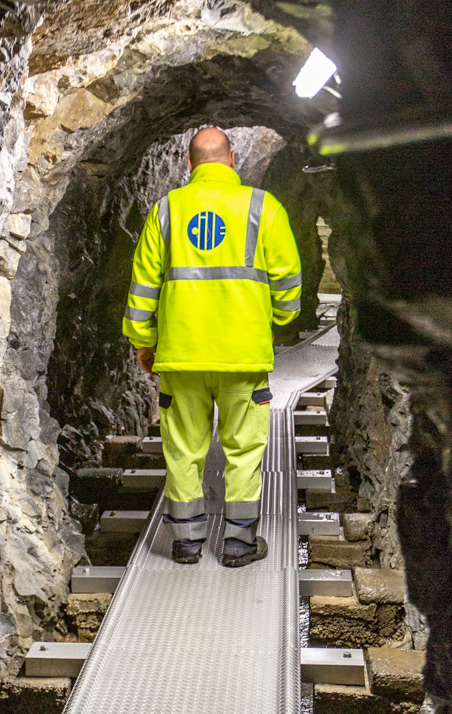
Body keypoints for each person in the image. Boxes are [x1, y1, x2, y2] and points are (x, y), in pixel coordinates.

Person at [122, 127, 302, 567]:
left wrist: (145, 344)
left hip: (182, 357)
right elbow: (289, 286)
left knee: (184, 449)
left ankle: (186, 543)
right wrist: (273, 324)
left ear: (188, 164)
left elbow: (142, 289)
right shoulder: (264, 208)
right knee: (244, 449)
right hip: (243, 356)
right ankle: (239, 545)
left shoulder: (166, 211)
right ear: (233, 158)